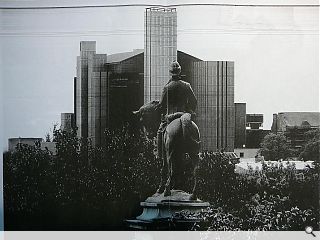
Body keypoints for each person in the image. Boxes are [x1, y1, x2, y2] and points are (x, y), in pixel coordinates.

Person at [157, 61, 197, 160]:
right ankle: (195, 153)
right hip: (184, 114)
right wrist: (189, 110)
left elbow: (161, 105)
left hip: (170, 117)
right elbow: (194, 101)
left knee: (160, 132)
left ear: (170, 73)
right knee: (194, 130)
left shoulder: (167, 87)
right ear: (179, 72)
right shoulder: (186, 85)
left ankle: (160, 156)